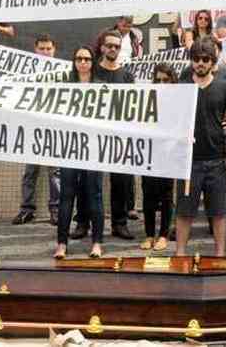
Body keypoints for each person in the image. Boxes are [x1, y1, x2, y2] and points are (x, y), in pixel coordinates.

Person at [176, 38, 226, 256]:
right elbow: (173, 118)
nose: (200, 63)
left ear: (213, 62)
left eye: (205, 59)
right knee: (185, 211)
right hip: (188, 160)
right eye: (196, 59)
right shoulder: (182, 85)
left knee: (219, 212)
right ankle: (180, 254)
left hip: (216, 159)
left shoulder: (224, 86)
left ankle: (220, 255)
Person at [54, 46, 105, 259]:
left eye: (86, 58)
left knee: (95, 195)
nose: (83, 62)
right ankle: (61, 244)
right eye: (79, 59)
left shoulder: (102, 87)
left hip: (93, 147)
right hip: (70, 147)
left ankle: (97, 243)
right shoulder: (65, 87)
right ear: (74, 62)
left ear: (92, 62)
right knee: (66, 195)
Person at [13, 36, 63, 225]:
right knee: (30, 171)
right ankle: (27, 210)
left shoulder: (62, 71)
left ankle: (56, 210)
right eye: (42, 48)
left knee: (55, 172)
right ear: (35, 49)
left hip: (54, 128)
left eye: (48, 48)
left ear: (54, 49)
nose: (45, 52)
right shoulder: (26, 71)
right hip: (32, 128)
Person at [94, 29, 137, 240]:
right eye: (109, 45)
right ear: (102, 47)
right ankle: (85, 222)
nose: (113, 49)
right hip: (94, 136)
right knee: (90, 181)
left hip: (119, 137)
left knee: (120, 183)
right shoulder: (92, 72)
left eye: (117, 46)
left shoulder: (127, 76)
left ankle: (119, 224)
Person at [139, 63, 177, 251]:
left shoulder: (180, 100)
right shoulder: (148, 98)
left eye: (166, 80)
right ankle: (148, 234)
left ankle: (163, 235)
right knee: (148, 195)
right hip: (150, 152)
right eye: (158, 79)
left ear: (172, 81)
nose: (162, 83)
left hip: (169, 153)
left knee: (166, 195)